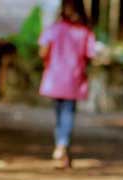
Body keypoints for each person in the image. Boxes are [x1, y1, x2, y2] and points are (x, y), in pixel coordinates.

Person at [38, 0, 96, 168]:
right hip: (73, 78)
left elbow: (43, 50)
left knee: (60, 115)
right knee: (67, 113)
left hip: (55, 77)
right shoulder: (84, 31)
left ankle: (61, 148)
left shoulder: (55, 28)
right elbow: (91, 54)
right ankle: (62, 147)